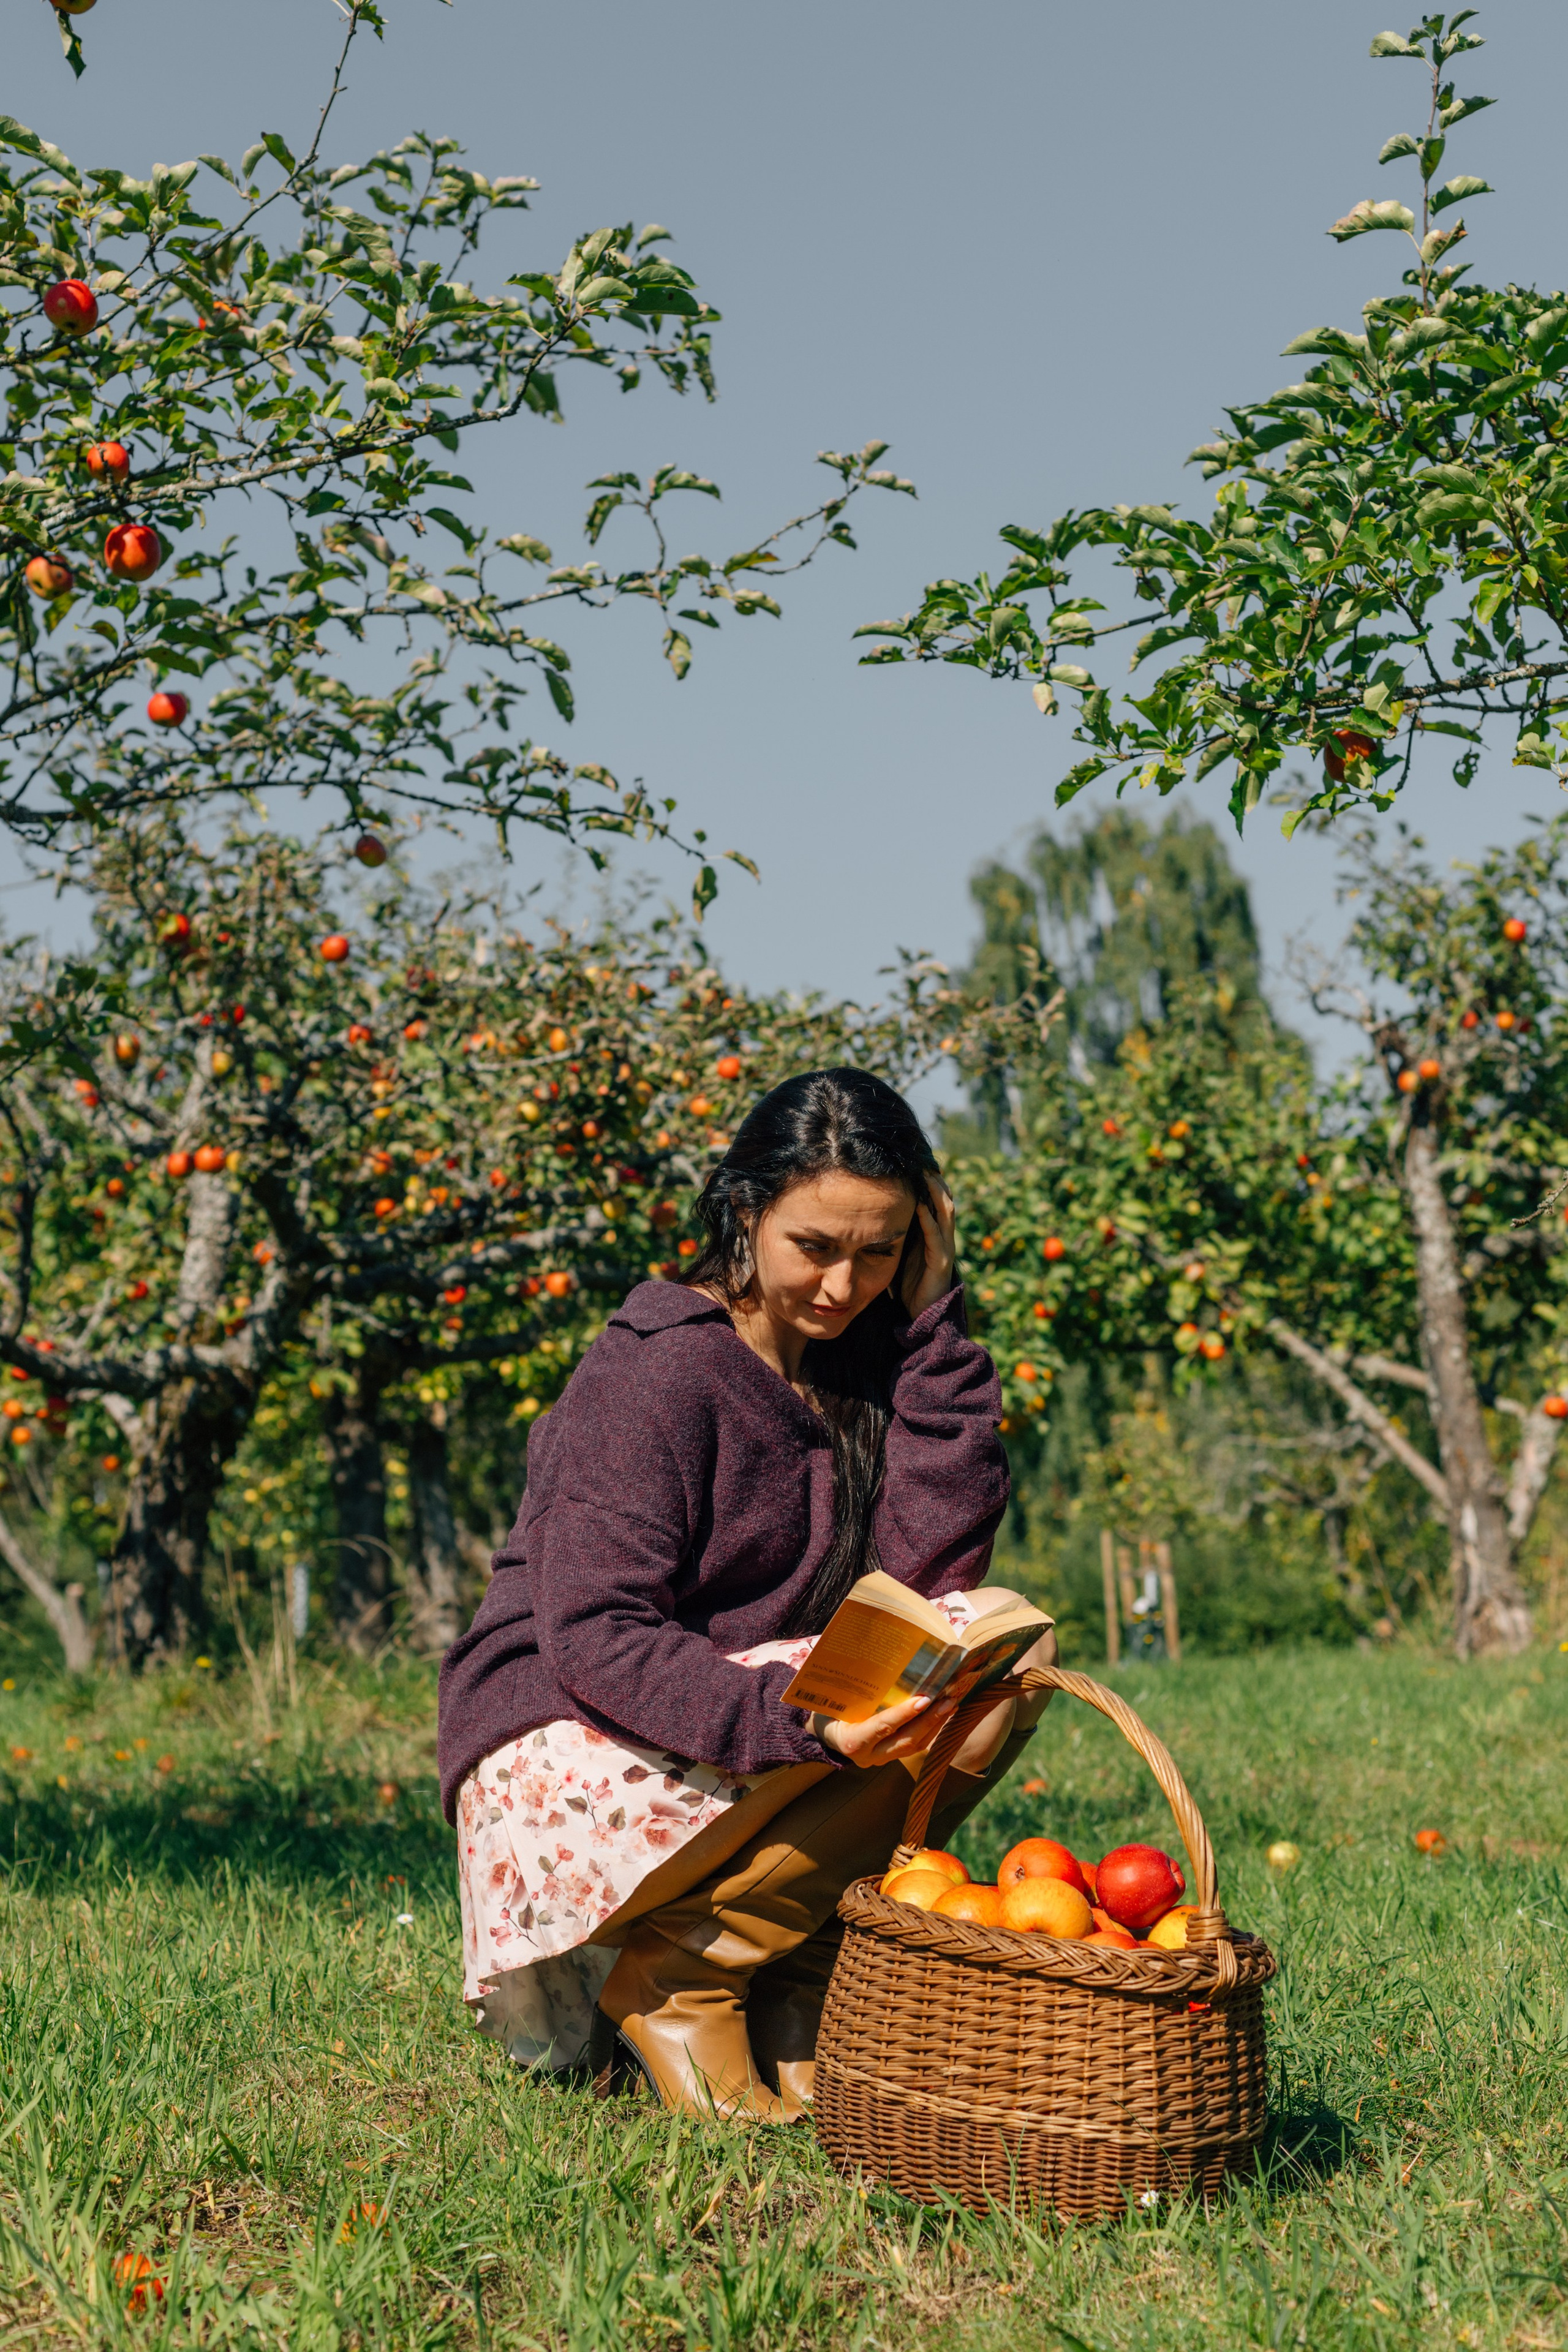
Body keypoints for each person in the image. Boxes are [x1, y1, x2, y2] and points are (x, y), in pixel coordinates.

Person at [437, 1066, 1055, 2120]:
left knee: (997, 1653)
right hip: (572, 1750)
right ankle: (684, 1978)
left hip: (719, 1735)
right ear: (744, 1210)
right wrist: (801, 1720)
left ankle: (789, 1981)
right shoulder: (656, 1372)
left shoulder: (862, 1362)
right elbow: (594, 1632)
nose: (842, 1285)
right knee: (956, 1663)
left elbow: (933, 1583)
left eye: (881, 1252)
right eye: (815, 1246)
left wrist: (934, 1325)